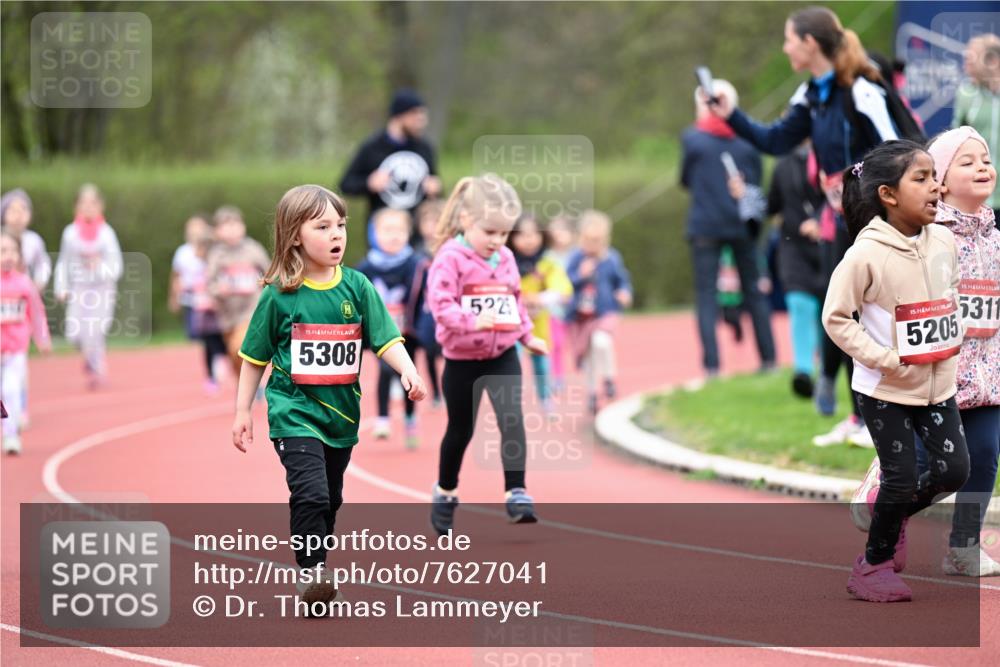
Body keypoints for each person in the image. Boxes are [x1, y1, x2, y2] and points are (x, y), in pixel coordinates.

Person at [710, 6, 904, 446]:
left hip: (880, 222)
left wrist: (872, 195)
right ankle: (860, 420)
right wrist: (731, 115)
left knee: (876, 318)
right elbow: (777, 140)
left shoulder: (861, 87)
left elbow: (900, 147)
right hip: (845, 221)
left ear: (810, 44)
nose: (784, 47)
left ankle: (892, 422)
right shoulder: (811, 94)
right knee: (845, 315)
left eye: (789, 39)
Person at [232, 184, 426, 604]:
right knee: (312, 493)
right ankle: (311, 572)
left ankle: (315, 557)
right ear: (295, 235)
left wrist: (409, 371)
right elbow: (254, 358)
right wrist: (242, 411)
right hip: (293, 411)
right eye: (323, 226)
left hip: (341, 415)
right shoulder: (279, 295)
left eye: (340, 225)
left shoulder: (356, 286)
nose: (336, 234)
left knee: (331, 497)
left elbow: (386, 339)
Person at [823, 140, 970, 602]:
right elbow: (836, 318)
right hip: (884, 387)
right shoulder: (865, 255)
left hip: (937, 384)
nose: (936, 186)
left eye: (934, 177)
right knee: (901, 476)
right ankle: (872, 566)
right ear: (888, 194)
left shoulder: (943, 238)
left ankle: (890, 514)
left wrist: (955, 329)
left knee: (953, 471)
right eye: (922, 179)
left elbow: (952, 292)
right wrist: (884, 358)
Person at [852, 127, 1000, 576]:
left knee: (985, 455)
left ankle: (965, 545)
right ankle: (889, 514)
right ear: (939, 180)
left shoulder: (996, 235)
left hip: (988, 372)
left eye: (986, 158)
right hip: (933, 374)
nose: (982, 167)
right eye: (967, 161)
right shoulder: (926, 234)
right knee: (927, 465)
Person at [426, 174, 548, 535]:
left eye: (504, 233)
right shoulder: (450, 258)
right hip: (462, 359)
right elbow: (440, 305)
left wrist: (526, 336)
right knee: (461, 429)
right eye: (489, 232)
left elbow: (514, 301)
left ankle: (517, 491)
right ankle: (446, 491)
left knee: (512, 419)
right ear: (467, 221)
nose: (497, 241)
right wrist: (473, 320)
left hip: (502, 353)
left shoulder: (506, 258)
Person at [681, 79, 776, 379]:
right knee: (754, 292)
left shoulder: (693, 140)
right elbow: (756, 183)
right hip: (741, 225)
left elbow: (685, 179)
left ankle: (711, 366)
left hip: (705, 226)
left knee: (706, 295)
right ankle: (769, 359)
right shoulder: (747, 141)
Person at [356, 208, 424, 448]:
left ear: (409, 233)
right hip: (380, 332)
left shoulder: (417, 265)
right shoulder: (366, 267)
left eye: (399, 230)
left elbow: (425, 297)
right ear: (374, 233)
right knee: (385, 371)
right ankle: (383, 418)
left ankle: (409, 417)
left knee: (409, 375)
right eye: (387, 230)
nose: (394, 236)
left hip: (408, 331)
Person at [339, 89, 442, 248]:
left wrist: (436, 187)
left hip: (417, 235)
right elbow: (346, 184)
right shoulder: (372, 147)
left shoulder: (424, 148)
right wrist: (369, 183)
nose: (421, 121)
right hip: (383, 233)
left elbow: (435, 185)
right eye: (415, 116)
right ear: (399, 116)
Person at [767, 143, 826, 398]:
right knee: (799, 304)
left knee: (828, 311)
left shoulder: (830, 158)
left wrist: (820, 222)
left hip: (829, 245)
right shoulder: (782, 166)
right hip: (794, 247)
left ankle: (827, 373)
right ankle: (803, 371)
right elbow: (772, 206)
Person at [53, 184, 123, 390]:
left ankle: (97, 368)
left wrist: (99, 267)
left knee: (96, 330)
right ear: (76, 206)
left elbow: (117, 266)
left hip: (103, 289)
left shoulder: (107, 233)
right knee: (74, 333)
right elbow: (63, 262)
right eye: (83, 202)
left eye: (93, 202)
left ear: (101, 206)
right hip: (79, 288)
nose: (88, 207)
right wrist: (61, 287)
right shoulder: (70, 233)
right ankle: (90, 357)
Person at [565, 210, 633, 415]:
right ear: (581, 238)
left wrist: (624, 292)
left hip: (605, 312)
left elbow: (622, 280)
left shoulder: (611, 258)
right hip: (582, 317)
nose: (593, 245)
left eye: (598, 240)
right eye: (589, 240)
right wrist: (580, 275)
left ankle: (609, 377)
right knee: (589, 357)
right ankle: (593, 392)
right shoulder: (576, 258)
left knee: (601, 341)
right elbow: (565, 282)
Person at [507, 213, 573, 414]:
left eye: (533, 234)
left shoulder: (547, 263)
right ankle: (511, 403)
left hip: (538, 325)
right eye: (522, 235)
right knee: (512, 363)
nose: (528, 240)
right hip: (511, 324)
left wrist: (540, 299)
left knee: (542, 365)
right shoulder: (505, 261)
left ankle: (545, 399)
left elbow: (563, 290)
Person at [205, 206, 270, 379]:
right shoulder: (216, 255)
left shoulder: (253, 249)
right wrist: (218, 289)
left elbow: (270, 273)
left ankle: (255, 381)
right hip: (227, 314)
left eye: (236, 225)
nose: (232, 230)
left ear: (243, 227)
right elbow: (209, 283)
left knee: (239, 346)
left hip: (251, 309)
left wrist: (262, 284)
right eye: (227, 226)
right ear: (218, 231)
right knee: (234, 354)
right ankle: (244, 382)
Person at [1, 231, 51, 454]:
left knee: (10, 390)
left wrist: (42, 338)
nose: (8, 256)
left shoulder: (24, 284)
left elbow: (36, 313)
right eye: (3, 251)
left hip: (16, 350)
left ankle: (10, 435)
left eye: (13, 251)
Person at [169, 214, 222, 391]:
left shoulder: (216, 250)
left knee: (219, 335)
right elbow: (176, 275)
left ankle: (219, 361)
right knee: (203, 337)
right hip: (195, 300)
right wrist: (174, 296)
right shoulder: (183, 252)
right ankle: (211, 373)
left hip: (217, 301)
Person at [953, 33, 1000, 227]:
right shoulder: (965, 93)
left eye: (971, 58)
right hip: (978, 200)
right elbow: (955, 143)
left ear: (993, 60)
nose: (966, 65)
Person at [412, 198, 444, 405]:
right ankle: (436, 393)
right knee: (429, 351)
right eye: (427, 222)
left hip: (450, 310)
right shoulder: (416, 253)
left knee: (451, 353)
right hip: (426, 311)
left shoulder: (453, 250)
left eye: (437, 222)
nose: (431, 228)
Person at [543, 215, 576, 393]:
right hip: (553, 310)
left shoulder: (576, 256)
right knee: (555, 344)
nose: (559, 234)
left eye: (563, 230)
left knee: (576, 343)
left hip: (575, 309)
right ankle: (556, 377)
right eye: (555, 230)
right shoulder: (546, 257)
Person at [1, 189, 51, 291]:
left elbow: (43, 264)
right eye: (13, 210)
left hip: (24, 292)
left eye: (23, 209)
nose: (18, 215)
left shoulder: (34, 240)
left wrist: (39, 282)